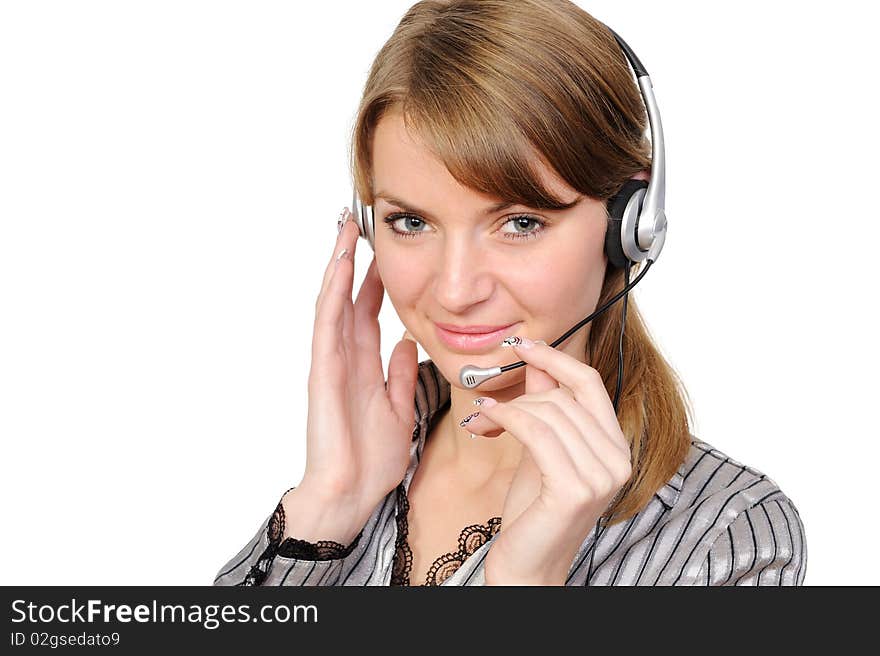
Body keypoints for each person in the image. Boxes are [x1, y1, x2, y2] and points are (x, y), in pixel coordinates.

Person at [214, 0, 806, 586]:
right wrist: (326, 510)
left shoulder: (727, 536)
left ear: (630, 224)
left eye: (520, 223)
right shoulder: (362, 463)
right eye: (412, 223)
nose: (455, 290)